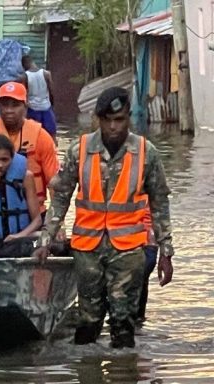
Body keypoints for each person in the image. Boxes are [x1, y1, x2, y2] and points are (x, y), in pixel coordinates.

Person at [33, 86, 174, 348]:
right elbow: (60, 196)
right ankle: (88, 371)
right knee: (88, 321)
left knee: (124, 322)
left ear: (128, 118)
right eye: (106, 120)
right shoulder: (80, 150)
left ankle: (123, 371)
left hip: (129, 249)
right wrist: (45, 240)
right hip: (88, 248)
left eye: (119, 120)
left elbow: (160, 203)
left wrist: (166, 251)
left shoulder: (146, 152)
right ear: (97, 119)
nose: (113, 127)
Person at [0, 81, 58, 217]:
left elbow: (54, 183)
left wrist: (58, 222)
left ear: (25, 106)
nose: (9, 110)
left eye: (15, 105)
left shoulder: (42, 138)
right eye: (4, 105)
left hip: (35, 213)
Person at [19, 55, 57, 143]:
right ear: (33, 62)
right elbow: (51, 92)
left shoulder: (25, 76)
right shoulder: (46, 73)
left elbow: (23, 95)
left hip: (33, 110)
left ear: (24, 66)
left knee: (32, 137)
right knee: (52, 136)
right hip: (46, 108)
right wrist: (52, 105)